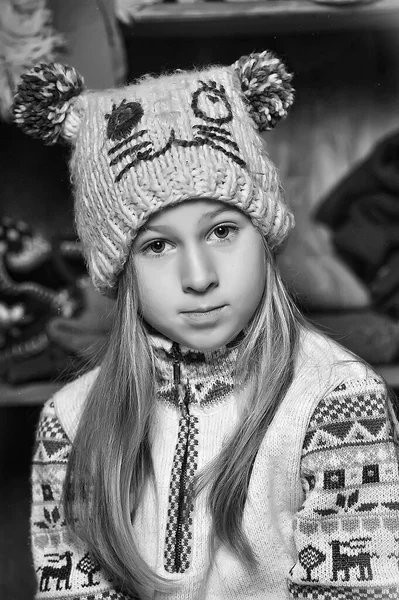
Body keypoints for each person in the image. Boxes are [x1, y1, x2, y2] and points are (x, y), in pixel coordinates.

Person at [12, 52, 399, 600]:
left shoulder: (337, 397)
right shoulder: (71, 424)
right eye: (157, 245)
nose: (198, 276)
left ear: (263, 239)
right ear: (122, 273)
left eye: (221, 231)